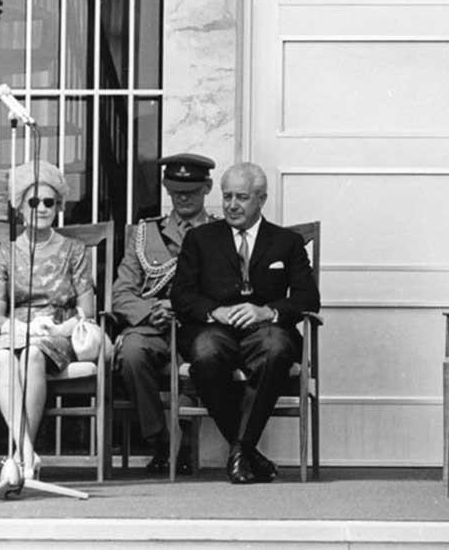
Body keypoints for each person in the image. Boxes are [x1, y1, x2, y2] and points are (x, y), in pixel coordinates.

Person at [170, 162, 320, 484]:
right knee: (206, 352)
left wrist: (267, 311)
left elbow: (309, 298)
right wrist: (215, 312)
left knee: (277, 348)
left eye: (241, 197)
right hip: (213, 329)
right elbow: (181, 295)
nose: (232, 205)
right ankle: (248, 453)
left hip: (266, 330)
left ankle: (242, 449)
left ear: (261, 199)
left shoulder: (286, 242)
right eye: (227, 197)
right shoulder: (200, 239)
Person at [0, 161, 95, 482]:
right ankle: (25, 453)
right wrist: (19, 329)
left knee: (33, 354)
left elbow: (86, 310)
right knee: (5, 356)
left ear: (59, 205)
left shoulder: (74, 250)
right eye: (34, 202)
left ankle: (20, 456)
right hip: (14, 330)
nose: (42, 208)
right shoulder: (4, 254)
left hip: (56, 332)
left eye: (50, 202)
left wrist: (59, 328)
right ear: (19, 206)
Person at [111, 152, 216, 474]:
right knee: (130, 352)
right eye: (175, 190)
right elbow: (121, 291)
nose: (183, 197)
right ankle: (160, 440)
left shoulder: (221, 233)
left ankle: (186, 444)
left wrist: (182, 307)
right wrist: (150, 311)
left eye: (192, 191)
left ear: (207, 188)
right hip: (154, 328)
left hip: (200, 327)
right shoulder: (146, 233)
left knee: (209, 354)